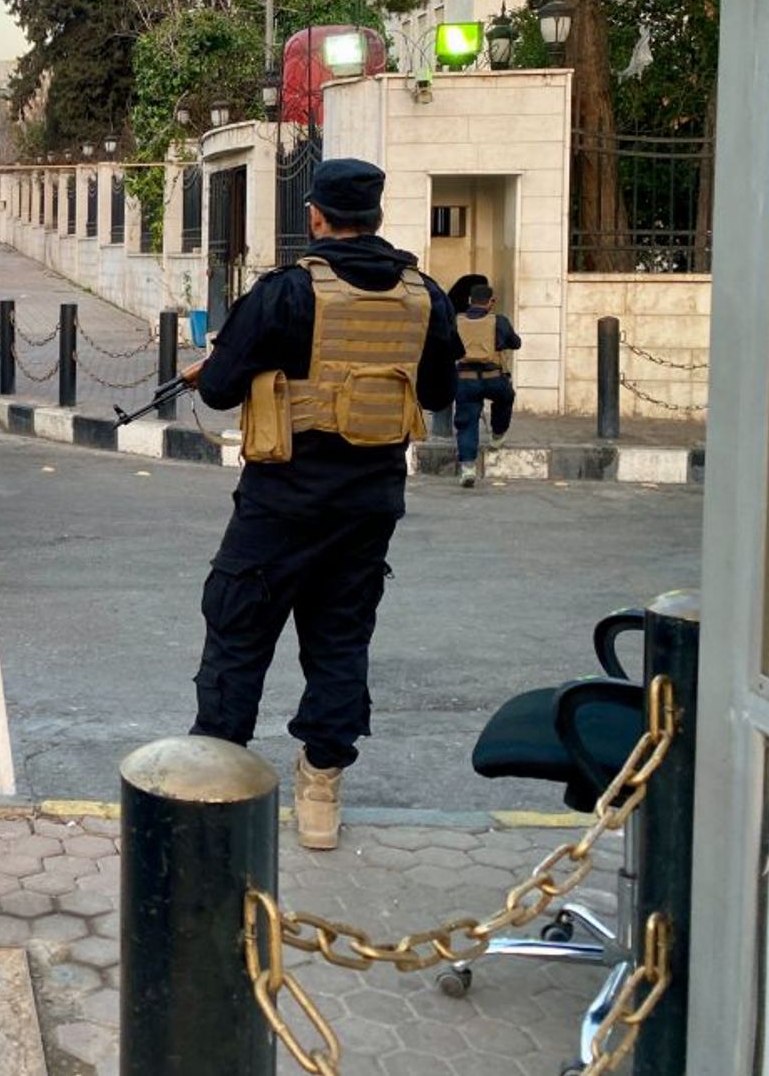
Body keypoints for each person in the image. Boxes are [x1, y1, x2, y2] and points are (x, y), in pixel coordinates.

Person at [180, 158, 461, 850]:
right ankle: (320, 793)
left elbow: (219, 388)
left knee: (238, 633)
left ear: (316, 216)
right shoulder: (425, 296)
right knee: (339, 643)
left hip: (279, 503)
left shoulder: (287, 293)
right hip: (367, 507)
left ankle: (216, 786)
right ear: (377, 216)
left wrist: (219, 367)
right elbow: (436, 394)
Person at [453, 283, 522, 488]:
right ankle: (497, 434)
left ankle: (468, 468)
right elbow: (516, 343)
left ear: (469, 301)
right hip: (494, 377)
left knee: (467, 422)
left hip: (465, 379)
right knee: (506, 398)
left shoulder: (456, 321)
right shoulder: (498, 321)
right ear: (491, 302)